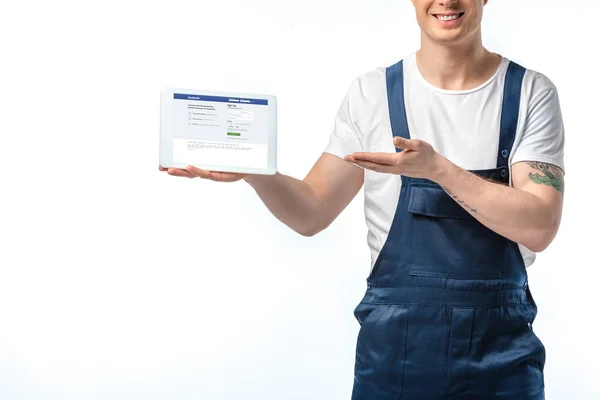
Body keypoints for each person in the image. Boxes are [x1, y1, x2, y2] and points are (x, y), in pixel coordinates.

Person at [160, 0, 565, 398]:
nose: (447, 1)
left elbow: (540, 225)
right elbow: (312, 212)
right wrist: (256, 173)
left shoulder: (530, 92)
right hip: (394, 356)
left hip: (502, 361)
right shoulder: (371, 93)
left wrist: (438, 170)